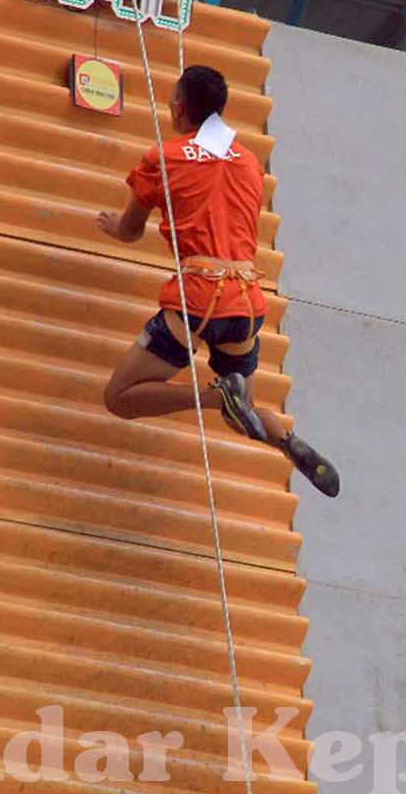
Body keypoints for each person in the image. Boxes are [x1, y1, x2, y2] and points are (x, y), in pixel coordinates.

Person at [98, 64, 339, 498]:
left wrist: (111, 226)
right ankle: (286, 442)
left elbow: (131, 230)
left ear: (179, 107)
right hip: (245, 303)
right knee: (240, 406)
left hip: (198, 296)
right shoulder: (248, 163)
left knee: (120, 396)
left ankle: (213, 397)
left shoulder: (163, 158)